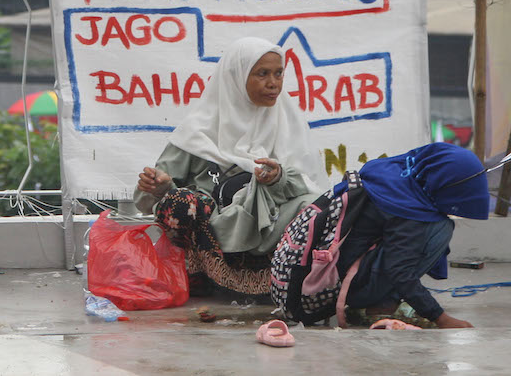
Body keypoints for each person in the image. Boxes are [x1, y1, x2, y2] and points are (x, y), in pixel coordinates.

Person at [135, 36, 326, 295]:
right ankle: (203, 277)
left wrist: (277, 177)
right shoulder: (197, 131)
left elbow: (305, 185)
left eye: (278, 73)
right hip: (214, 233)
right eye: (262, 74)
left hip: (268, 226)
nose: (273, 84)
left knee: (315, 206)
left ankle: (284, 280)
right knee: (181, 202)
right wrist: (160, 187)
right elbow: (155, 191)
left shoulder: (288, 124)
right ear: (236, 77)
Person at [336, 142, 489, 328]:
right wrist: (440, 318)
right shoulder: (408, 210)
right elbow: (400, 271)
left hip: (339, 276)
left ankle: (383, 298)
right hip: (352, 288)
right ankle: (380, 304)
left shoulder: (394, 176)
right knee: (441, 227)